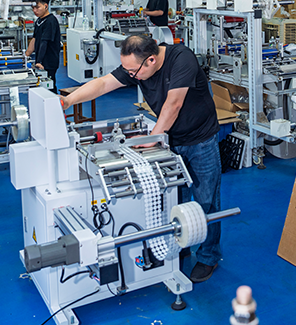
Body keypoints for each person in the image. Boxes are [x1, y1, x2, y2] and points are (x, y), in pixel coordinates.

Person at [60, 34, 223, 283]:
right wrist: (68, 100)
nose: (131, 76)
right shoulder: (136, 65)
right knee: (175, 199)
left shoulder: (182, 59)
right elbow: (103, 84)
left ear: (151, 60)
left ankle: (208, 257)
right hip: (171, 141)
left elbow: (173, 104)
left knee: (206, 201)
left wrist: (153, 137)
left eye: (133, 72)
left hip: (200, 140)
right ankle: (183, 244)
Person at [25, 0, 61, 93]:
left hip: (49, 61)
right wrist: (26, 55)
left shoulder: (50, 21)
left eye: (37, 7)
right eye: (33, 8)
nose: (34, 11)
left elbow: (44, 42)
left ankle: (56, 102)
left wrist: (39, 62)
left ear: (46, 6)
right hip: (41, 60)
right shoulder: (39, 21)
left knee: (49, 86)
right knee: (41, 88)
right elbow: (35, 39)